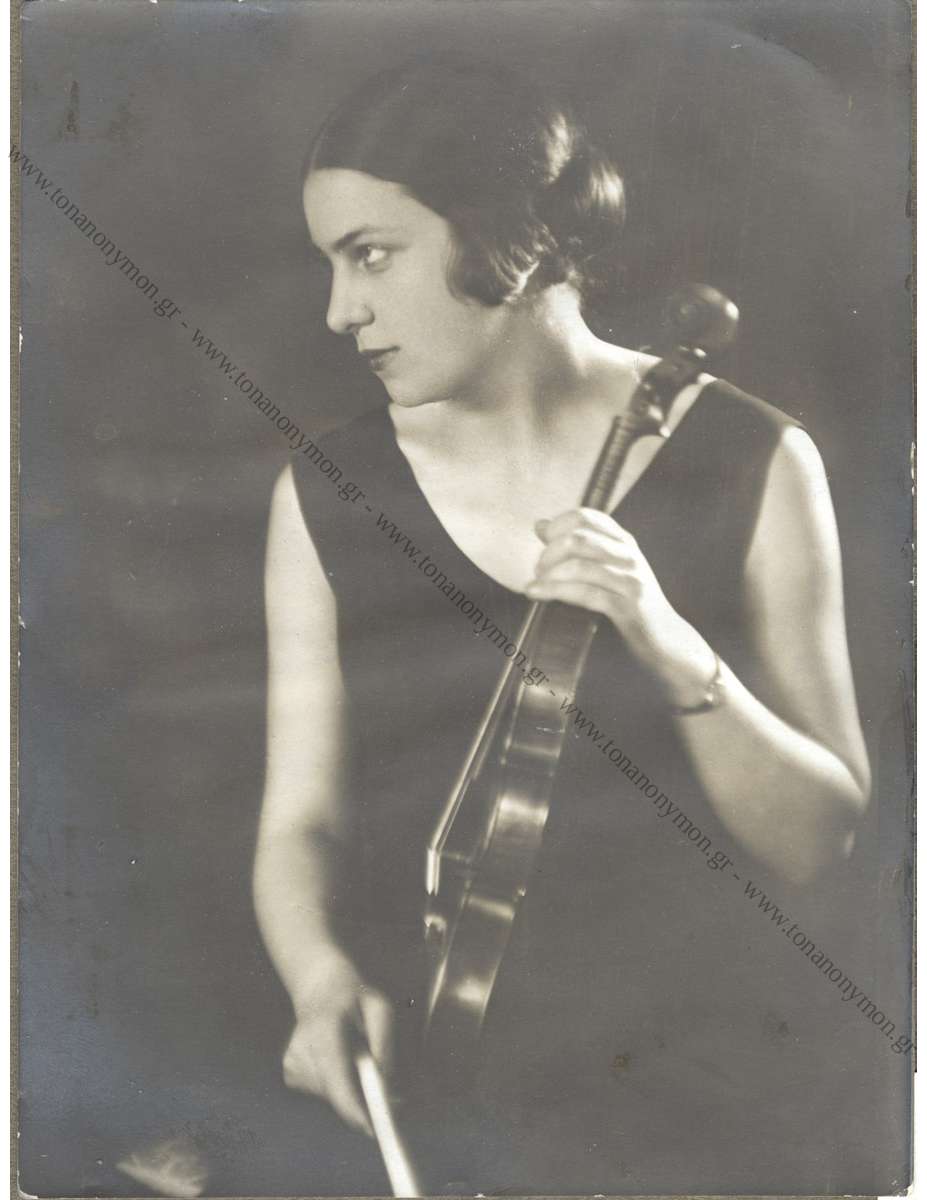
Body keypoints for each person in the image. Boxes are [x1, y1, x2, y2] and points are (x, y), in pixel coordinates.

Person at [253, 57, 872, 1194]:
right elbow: (301, 824)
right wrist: (318, 979)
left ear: (505, 237)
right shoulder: (327, 491)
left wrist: (665, 637)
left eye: (371, 255)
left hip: (713, 1109)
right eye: (332, 265)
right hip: (441, 1094)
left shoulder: (756, 460)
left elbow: (817, 838)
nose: (341, 312)